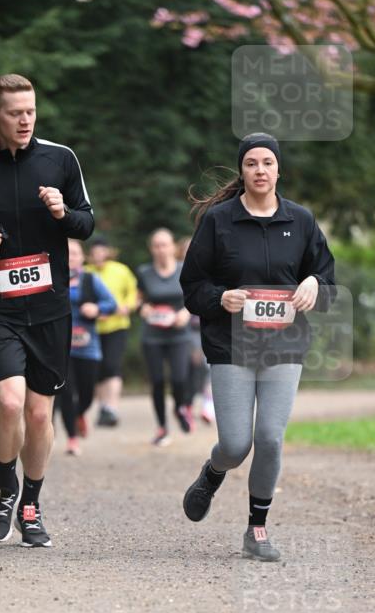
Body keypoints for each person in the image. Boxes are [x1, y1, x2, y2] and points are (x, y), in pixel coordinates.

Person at [0, 73, 94, 548]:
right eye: (15, 113)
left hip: (49, 309)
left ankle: (31, 503)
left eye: (31, 111)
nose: (25, 120)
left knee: (40, 416)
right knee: (9, 403)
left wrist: (63, 213)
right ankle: (5, 488)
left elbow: (86, 223)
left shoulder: (60, 159)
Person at [180, 132, 335, 561]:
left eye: (268, 162)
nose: (260, 170)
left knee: (269, 438)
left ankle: (257, 529)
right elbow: (192, 285)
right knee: (235, 445)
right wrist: (220, 298)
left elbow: (327, 280)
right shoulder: (219, 221)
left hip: (284, 344)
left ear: (278, 170)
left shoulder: (301, 220)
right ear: (242, 170)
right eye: (251, 163)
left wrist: (314, 282)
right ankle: (213, 473)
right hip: (231, 344)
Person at [56, 239, 116, 456]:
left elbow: (112, 304)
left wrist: (97, 308)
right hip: (61, 348)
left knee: (87, 395)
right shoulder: (52, 278)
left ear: (82, 258)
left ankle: (80, 413)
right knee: (66, 393)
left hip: (88, 348)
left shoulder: (91, 279)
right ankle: (72, 439)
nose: (70, 257)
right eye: (67, 253)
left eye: (75, 253)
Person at [136, 227, 193, 447]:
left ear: (173, 247)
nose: (161, 249)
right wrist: (142, 308)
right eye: (156, 245)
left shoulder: (184, 269)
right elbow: (138, 300)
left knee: (179, 379)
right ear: (151, 249)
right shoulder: (144, 272)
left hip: (179, 334)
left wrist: (186, 313)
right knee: (158, 381)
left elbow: (194, 297)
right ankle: (162, 427)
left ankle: (180, 407)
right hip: (153, 336)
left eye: (165, 245)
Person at [85, 236, 137, 427]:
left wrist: (127, 306)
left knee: (112, 365)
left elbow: (133, 292)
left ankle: (112, 408)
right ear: (90, 255)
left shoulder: (121, 270)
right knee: (97, 369)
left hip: (117, 326)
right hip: (92, 328)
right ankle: (103, 408)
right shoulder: (86, 272)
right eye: (94, 252)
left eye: (101, 251)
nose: (98, 255)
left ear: (108, 252)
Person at [178, 237, 215, 426]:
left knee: (209, 366)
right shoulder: (178, 272)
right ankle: (188, 403)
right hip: (187, 331)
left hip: (208, 326)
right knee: (192, 366)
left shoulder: (210, 270)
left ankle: (208, 404)